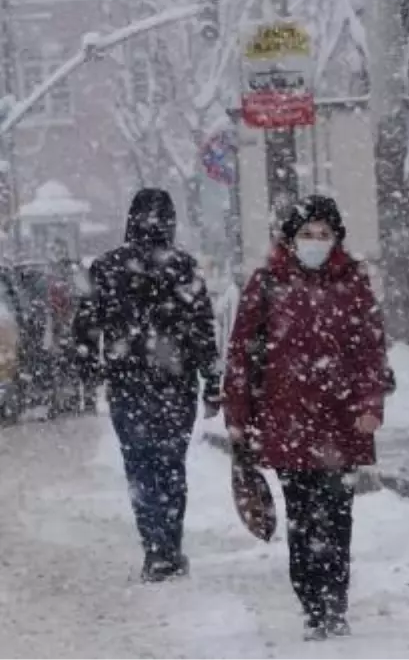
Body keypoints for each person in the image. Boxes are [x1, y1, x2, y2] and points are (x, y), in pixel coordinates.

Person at [223, 195, 387, 641]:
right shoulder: (267, 284)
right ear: (290, 239)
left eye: (324, 234)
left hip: (341, 421)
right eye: (307, 235)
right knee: (302, 517)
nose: (316, 242)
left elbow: (371, 350)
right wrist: (238, 416)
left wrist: (371, 405)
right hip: (287, 422)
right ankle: (312, 604)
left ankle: (335, 602)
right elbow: (242, 356)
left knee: (337, 516)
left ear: (336, 239)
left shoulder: (353, 284)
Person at [73, 188, 221, 582]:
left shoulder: (105, 268)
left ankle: (155, 547)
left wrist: (90, 368)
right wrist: (212, 381)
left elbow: (86, 324)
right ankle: (169, 545)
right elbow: (203, 329)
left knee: (140, 467)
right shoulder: (184, 268)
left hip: (128, 385)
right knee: (171, 466)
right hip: (176, 384)